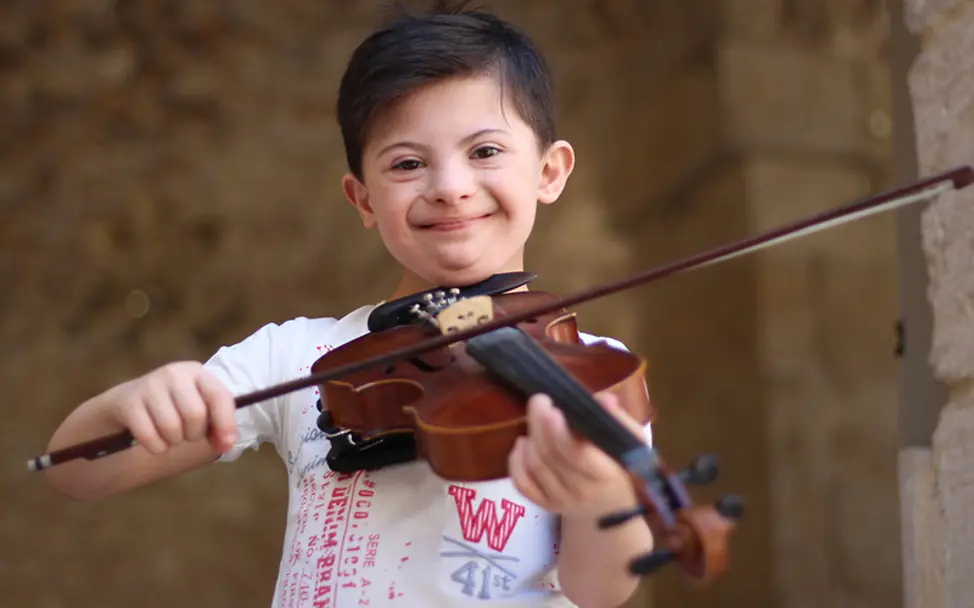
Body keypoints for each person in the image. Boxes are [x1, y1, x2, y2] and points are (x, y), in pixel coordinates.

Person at [42, 2, 656, 606]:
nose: (450, 188)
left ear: (550, 171)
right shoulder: (303, 358)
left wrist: (603, 496)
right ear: (362, 200)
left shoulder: (590, 368)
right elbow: (76, 471)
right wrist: (132, 403)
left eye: (485, 152)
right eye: (408, 164)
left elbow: (600, 589)